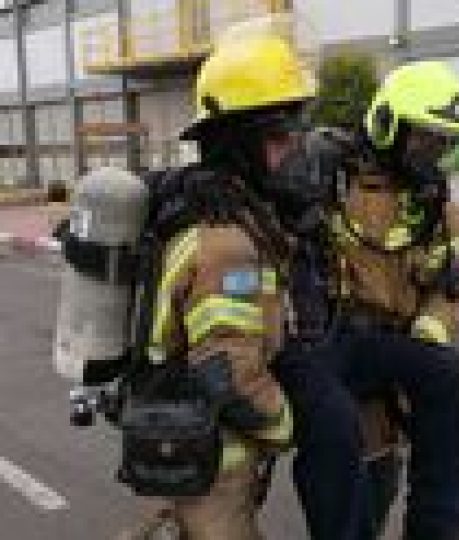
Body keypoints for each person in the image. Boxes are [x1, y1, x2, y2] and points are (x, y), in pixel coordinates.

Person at [117, 17, 318, 539]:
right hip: (211, 460)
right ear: (238, 142)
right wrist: (293, 425)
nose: (292, 152)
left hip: (188, 442)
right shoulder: (228, 245)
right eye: (278, 137)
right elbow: (230, 377)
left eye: (294, 134)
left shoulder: (226, 210)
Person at [273, 60, 459, 540]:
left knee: (442, 373)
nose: (433, 154)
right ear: (388, 124)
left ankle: (436, 531)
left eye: (443, 142)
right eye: (424, 139)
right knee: (340, 442)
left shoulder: (432, 203)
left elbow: (446, 286)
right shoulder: (325, 174)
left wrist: (429, 335)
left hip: (383, 347)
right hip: (321, 339)